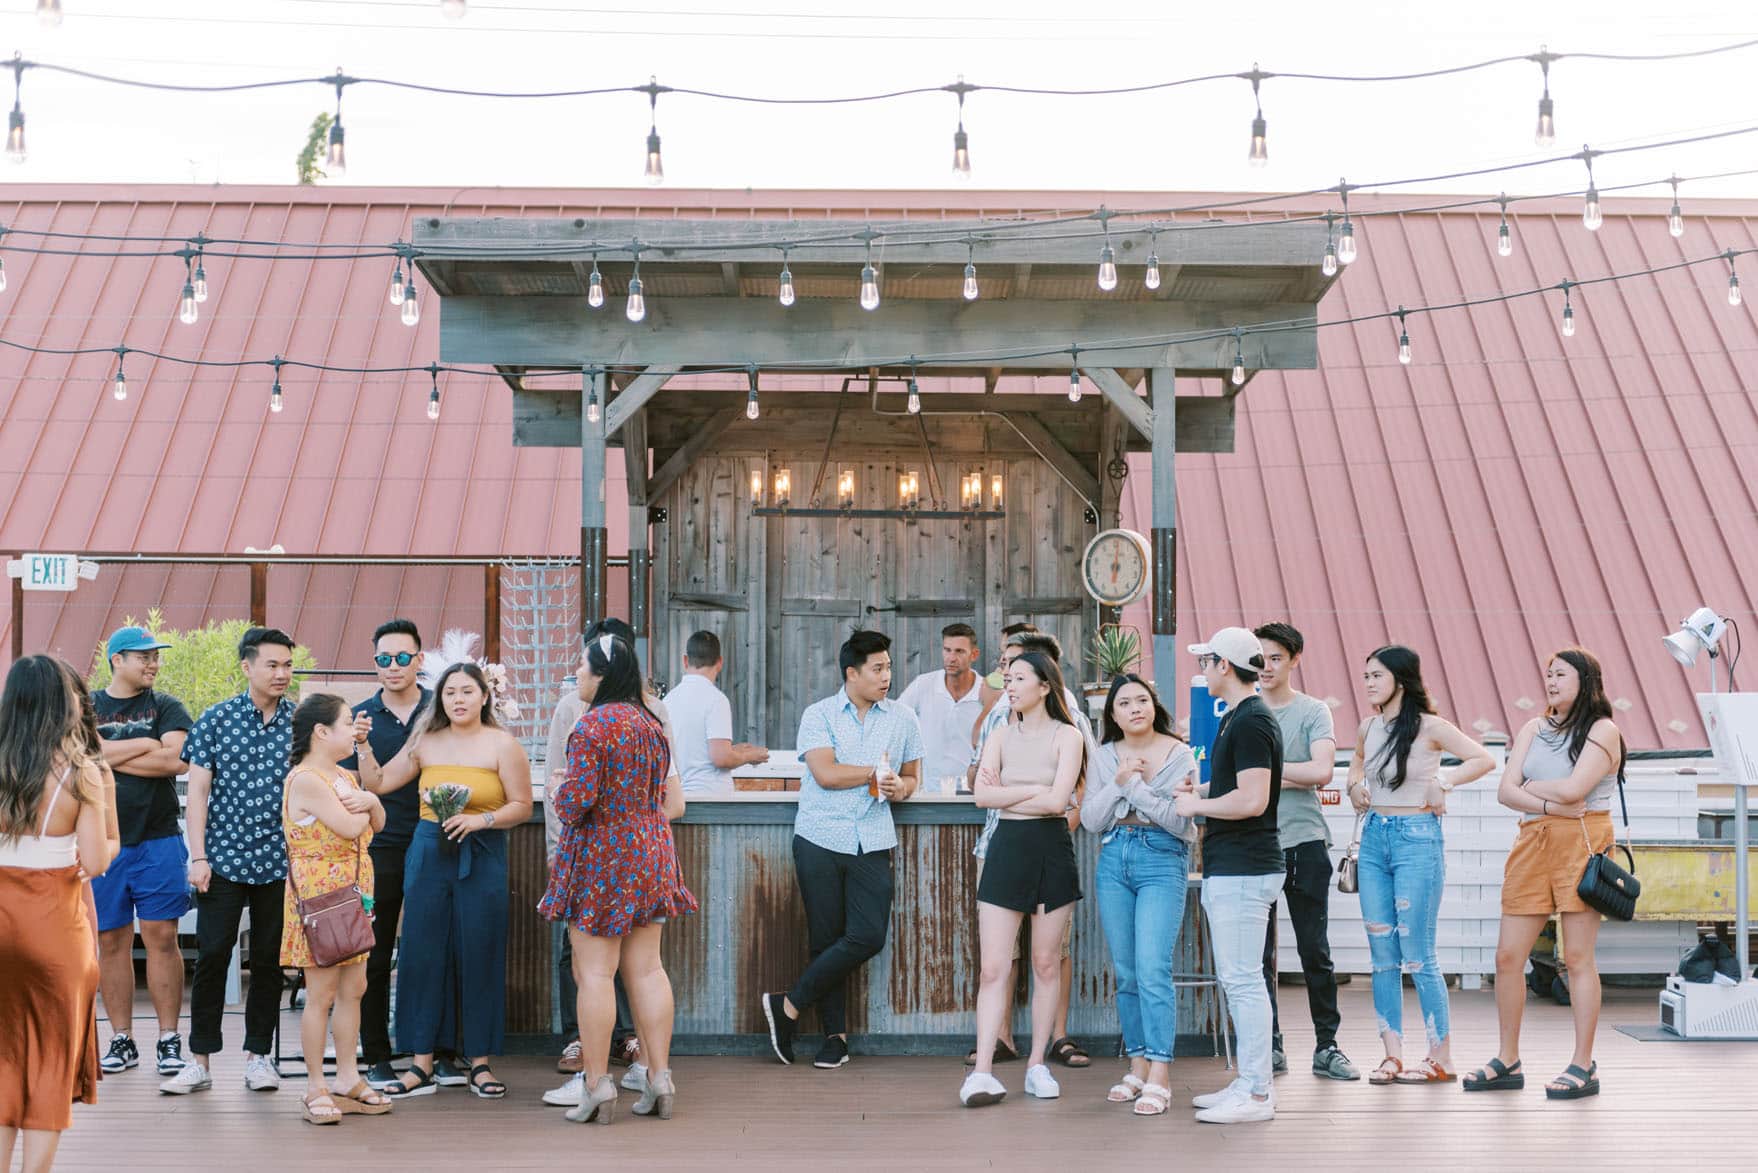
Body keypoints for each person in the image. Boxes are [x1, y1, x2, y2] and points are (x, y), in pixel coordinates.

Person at [540, 633, 696, 1124]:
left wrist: (559, 787)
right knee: (649, 969)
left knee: (595, 973)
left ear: (603, 674)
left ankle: (597, 1085)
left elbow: (576, 804)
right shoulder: (653, 723)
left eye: (582, 669)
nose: (577, 677)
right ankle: (659, 1077)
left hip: (602, 855)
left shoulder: (591, 727)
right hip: (651, 851)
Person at [359, 659, 532, 1101]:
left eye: (467, 691)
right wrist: (361, 746)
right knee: (420, 950)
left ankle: (479, 1062)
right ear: (441, 698)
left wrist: (483, 820)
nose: (458, 699)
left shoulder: (503, 744)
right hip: (429, 850)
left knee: (479, 949)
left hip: (483, 851)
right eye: (450, 692)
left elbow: (523, 806)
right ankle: (419, 1062)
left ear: (484, 696)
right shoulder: (426, 741)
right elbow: (377, 782)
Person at [1465, 647, 1625, 1101]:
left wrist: (1530, 789)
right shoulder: (1533, 727)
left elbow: (1579, 789)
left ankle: (1583, 1063)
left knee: (1576, 958)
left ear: (1586, 681)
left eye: (1561, 675)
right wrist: (1550, 801)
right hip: (1533, 840)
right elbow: (1504, 791)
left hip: (1584, 841)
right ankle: (1508, 1058)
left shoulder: (1602, 730)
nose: (1551, 682)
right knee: (1507, 958)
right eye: (1548, 675)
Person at [761, 630, 923, 1071]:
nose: (886, 675)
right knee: (825, 939)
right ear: (852, 673)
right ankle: (835, 1037)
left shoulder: (903, 718)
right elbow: (826, 774)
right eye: (878, 669)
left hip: (872, 838)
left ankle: (788, 1006)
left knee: (868, 935)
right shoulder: (819, 716)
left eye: (888, 667)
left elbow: (913, 778)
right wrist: (875, 771)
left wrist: (898, 787)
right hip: (819, 837)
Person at [1345, 645, 1494, 1087]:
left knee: (1418, 953)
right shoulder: (1369, 726)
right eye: (1366, 675)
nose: (1368, 683)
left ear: (1401, 680)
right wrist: (1354, 785)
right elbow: (1356, 762)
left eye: (1376, 675)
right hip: (1374, 839)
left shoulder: (1430, 726)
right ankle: (1391, 1055)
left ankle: (1439, 1056)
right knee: (1381, 954)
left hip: (1416, 839)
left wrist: (1442, 781)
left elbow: (1482, 758)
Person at [162, 627, 297, 1095]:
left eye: (286, 665)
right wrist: (197, 855)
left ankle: (258, 1056)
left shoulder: (299, 724)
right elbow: (196, 793)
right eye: (272, 664)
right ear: (247, 666)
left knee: (267, 961)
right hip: (221, 859)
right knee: (214, 955)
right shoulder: (216, 720)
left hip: (280, 863)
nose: (281, 674)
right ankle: (198, 1059)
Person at [0, 657, 117, 1173]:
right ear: (59, 702)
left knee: (2, 1059)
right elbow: (95, 861)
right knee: (48, 1056)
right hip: (52, 924)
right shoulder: (82, 772)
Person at [960, 651, 1086, 1108]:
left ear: (1045, 686)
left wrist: (1011, 795)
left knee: (1046, 963)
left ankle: (1037, 1064)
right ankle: (982, 1074)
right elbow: (981, 797)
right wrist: (1037, 791)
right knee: (994, 966)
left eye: (1018, 679)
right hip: (1006, 849)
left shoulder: (1068, 736)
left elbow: (1060, 806)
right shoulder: (998, 734)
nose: (1009, 687)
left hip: (1052, 851)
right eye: (1007, 679)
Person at [1174, 627, 1285, 1124]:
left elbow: (1253, 799)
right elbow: (1239, 788)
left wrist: (1197, 804)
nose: (1202, 669)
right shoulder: (1239, 718)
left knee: (1243, 980)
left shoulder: (1251, 721)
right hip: (1235, 865)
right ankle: (1248, 1082)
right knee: (1239, 978)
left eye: (1207, 661)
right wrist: (1202, 787)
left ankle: (1258, 1093)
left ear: (1224, 665)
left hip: (1244, 867)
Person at [1079, 673, 1196, 1117]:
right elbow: (1091, 818)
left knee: (1152, 968)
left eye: (1142, 700)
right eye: (1124, 703)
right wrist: (1118, 781)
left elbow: (1180, 823)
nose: (1134, 708)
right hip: (1113, 860)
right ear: (1112, 714)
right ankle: (1138, 1064)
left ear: (1154, 704)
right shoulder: (1105, 755)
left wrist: (1133, 788)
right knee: (1126, 972)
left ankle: (1161, 1073)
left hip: (1161, 859)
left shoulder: (1179, 753)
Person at [1252, 622, 1358, 1081]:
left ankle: (1327, 1045)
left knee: (1315, 950)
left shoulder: (1314, 710)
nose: (1267, 666)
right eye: (1260, 658)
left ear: (1295, 659)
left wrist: (1263, 773)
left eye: (1276, 657)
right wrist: (1288, 775)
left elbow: (1322, 772)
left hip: (1304, 841)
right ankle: (1269, 1044)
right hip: (1253, 844)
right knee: (1259, 955)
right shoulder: (1241, 709)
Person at [282, 693, 392, 1125]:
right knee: (322, 993)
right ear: (321, 732)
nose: (354, 730)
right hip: (321, 897)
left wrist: (373, 803)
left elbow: (374, 822)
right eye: (347, 724)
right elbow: (350, 827)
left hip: (353, 891)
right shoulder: (307, 778)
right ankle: (315, 1086)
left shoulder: (345, 776)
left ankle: (348, 1076)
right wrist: (369, 806)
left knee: (355, 988)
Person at [90, 625, 195, 1078]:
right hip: (103, 839)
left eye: (155, 657)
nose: (152, 664)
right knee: (110, 940)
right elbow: (80, 756)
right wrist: (144, 744)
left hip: (157, 838)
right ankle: (121, 1038)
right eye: (142, 656)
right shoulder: (87, 706)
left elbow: (176, 759)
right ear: (117, 659)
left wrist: (109, 752)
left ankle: (168, 1039)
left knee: (161, 937)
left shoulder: (167, 705)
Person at [342, 620, 438, 1093]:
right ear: (374, 662)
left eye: (403, 658)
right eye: (384, 658)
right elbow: (345, 787)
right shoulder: (357, 718)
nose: (393, 667)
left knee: (432, 951)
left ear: (420, 659)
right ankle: (376, 1052)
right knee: (374, 954)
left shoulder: (440, 711)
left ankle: (436, 1050)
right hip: (378, 847)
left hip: (437, 842)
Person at [665, 630, 767, 795]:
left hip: (678, 797)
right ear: (720, 662)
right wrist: (749, 756)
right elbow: (721, 758)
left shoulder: (669, 700)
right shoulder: (716, 700)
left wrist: (735, 750)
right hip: (710, 798)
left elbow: (694, 749)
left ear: (685, 660)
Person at [898, 623, 986, 792]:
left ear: (974, 655)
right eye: (947, 650)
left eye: (959, 651)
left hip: (974, 793)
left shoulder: (986, 690)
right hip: (927, 792)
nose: (951, 658)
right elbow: (896, 721)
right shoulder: (923, 684)